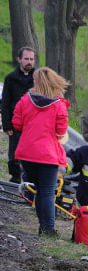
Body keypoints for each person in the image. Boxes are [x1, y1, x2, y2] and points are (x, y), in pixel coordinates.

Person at [11, 67, 69, 236]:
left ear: (37, 82)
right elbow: (60, 133)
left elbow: (17, 124)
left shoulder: (25, 100)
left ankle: (43, 225)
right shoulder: (59, 106)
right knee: (47, 193)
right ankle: (48, 229)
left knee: (38, 190)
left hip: (27, 153)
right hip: (47, 156)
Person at [2, 46, 36, 183]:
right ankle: (15, 177)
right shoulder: (11, 78)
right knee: (14, 153)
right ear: (19, 59)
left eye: (32, 59)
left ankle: (31, 179)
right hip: (15, 122)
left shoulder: (38, 78)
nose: (29, 62)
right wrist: (6, 125)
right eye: (26, 59)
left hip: (33, 122)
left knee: (33, 152)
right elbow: (5, 102)